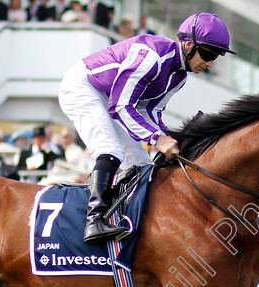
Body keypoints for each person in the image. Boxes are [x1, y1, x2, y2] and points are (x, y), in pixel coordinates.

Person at [58, 12, 235, 244]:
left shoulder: (180, 76)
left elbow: (150, 112)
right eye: (209, 53)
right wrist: (157, 139)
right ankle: (94, 220)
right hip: (84, 88)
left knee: (141, 164)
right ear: (189, 45)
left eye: (217, 56)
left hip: (110, 98)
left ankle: (127, 219)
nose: (211, 63)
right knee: (111, 150)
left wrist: (169, 138)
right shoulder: (152, 57)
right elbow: (121, 105)